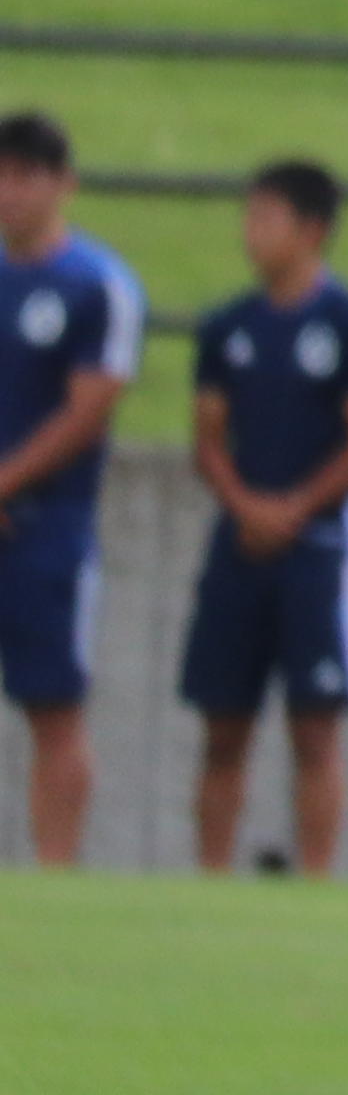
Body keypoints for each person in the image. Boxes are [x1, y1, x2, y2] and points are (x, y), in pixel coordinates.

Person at [178, 160, 348, 880]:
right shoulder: (226, 327)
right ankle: (209, 874)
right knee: (222, 724)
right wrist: (247, 507)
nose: (252, 233)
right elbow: (208, 437)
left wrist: (293, 510)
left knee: (315, 724)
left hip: (320, 547)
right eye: (249, 217)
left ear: (312, 230)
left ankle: (317, 877)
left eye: (266, 219)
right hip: (238, 542)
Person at [0, 107, 145, 865]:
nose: (8, 193)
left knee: (52, 708)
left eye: (25, 176)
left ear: (63, 185)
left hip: (44, 529)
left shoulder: (96, 285)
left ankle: (55, 870)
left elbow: (89, 409)